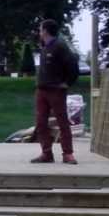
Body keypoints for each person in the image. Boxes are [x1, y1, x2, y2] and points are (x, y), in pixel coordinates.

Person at [30, 19, 79, 165]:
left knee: (62, 122)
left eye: (40, 29)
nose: (39, 32)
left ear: (45, 31)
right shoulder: (45, 48)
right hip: (41, 90)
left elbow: (74, 67)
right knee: (41, 122)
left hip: (56, 90)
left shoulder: (60, 47)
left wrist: (67, 83)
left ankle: (68, 154)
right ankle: (46, 153)